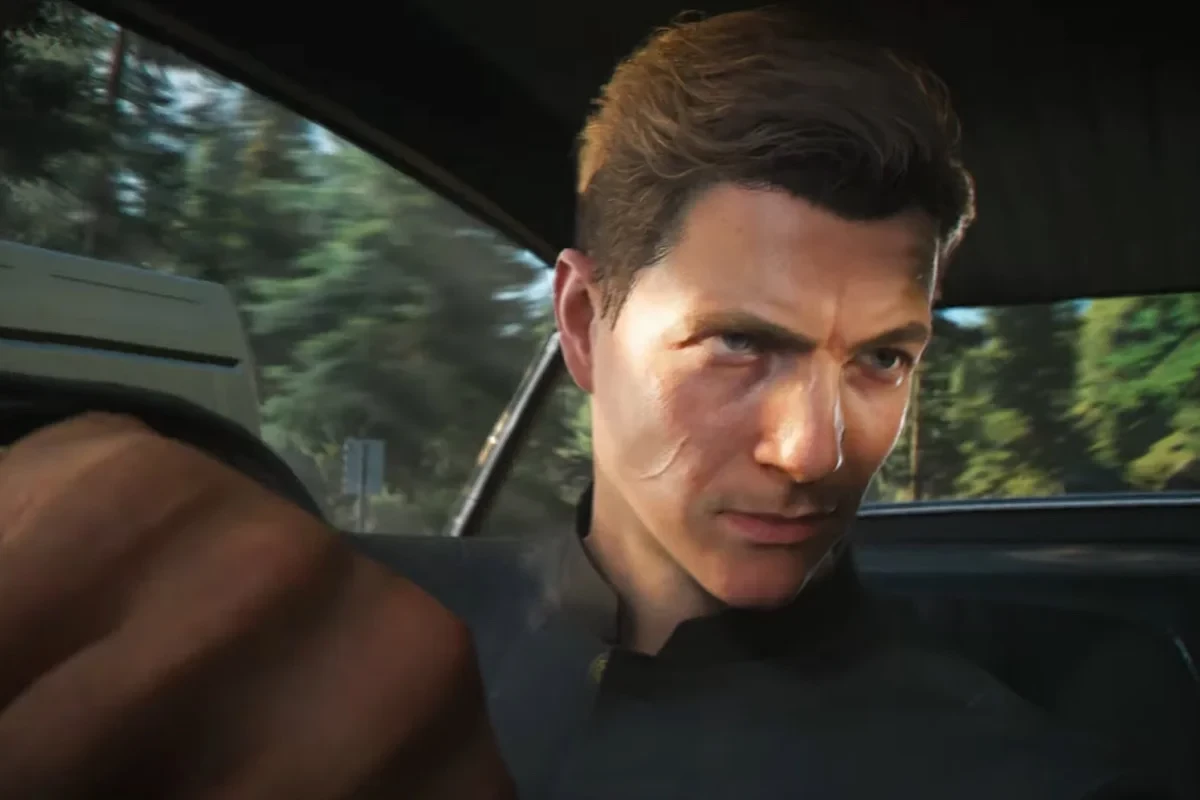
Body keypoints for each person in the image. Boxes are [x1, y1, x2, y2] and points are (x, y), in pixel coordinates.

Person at [0, 8, 1172, 800]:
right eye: (741, 343)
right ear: (580, 323)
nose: (814, 450)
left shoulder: (1022, 775)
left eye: (882, 359)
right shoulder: (305, 617)